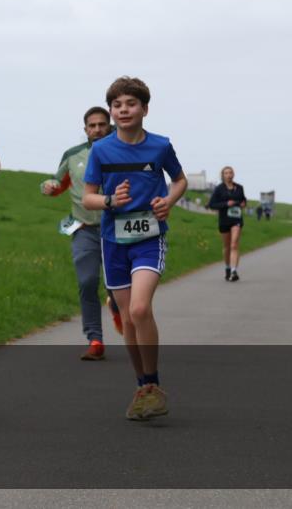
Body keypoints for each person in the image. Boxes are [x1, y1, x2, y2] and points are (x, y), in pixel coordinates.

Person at [83, 76, 187, 421]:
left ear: (145, 109)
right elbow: (88, 197)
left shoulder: (160, 146)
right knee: (127, 317)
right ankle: (142, 386)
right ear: (112, 111)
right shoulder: (101, 150)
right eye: (117, 105)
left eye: (131, 104)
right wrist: (110, 200)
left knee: (140, 309)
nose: (123, 110)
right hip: (113, 240)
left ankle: (153, 384)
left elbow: (180, 180)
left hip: (149, 238)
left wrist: (168, 201)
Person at [41, 106, 123, 360]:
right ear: (85, 129)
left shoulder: (123, 151)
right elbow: (58, 182)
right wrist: (49, 186)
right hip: (84, 229)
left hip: (117, 230)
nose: (97, 129)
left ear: (109, 126)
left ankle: (116, 305)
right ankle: (95, 340)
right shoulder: (73, 155)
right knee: (87, 282)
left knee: (116, 286)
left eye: (101, 124)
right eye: (92, 126)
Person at [207, 166, 246, 282]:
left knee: (234, 245)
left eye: (230, 173)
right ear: (223, 175)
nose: (229, 175)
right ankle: (228, 268)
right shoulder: (219, 189)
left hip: (237, 219)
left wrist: (243, 203)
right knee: (227, 246)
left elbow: (243, 200)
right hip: (224, 220)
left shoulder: (239, 188)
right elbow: (212, 204)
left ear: (233, 174)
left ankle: (234, 271)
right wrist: (226, 204)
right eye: (226, 173)